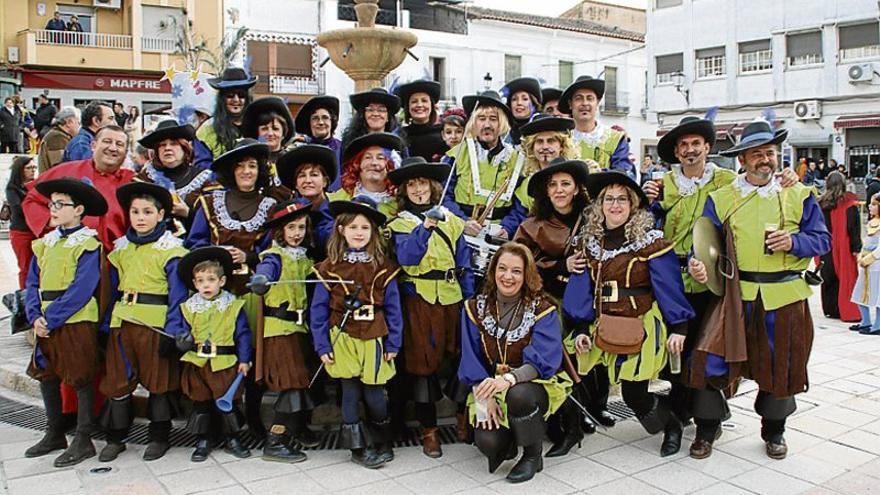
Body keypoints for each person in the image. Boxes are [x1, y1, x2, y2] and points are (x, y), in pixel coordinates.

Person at [688, 118, 830, 460]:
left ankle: (775, 431)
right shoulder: (722, 198)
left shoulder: (799, 193)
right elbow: (706, 244)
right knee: (709, 360)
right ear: (742, 159)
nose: (764, 159)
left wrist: (794, 241)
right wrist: (698, 265)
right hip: (734, 297)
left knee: (782, 366)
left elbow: (822, 240)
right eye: (756, 153)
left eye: (769, 152)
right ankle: (708, 427)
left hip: (784, 297)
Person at [564, 171, 694, 457]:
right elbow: (581, 289)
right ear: (600, 205)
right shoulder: (589, 242)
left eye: (622, 199)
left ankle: (671, 426)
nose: (615, 205)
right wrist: (582, 328)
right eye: (609, 199)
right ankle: (569, 431)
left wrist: (679, 327)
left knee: (634, 393)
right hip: (600, 323)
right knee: (571, 370)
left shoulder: (651, 243)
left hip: (640, 323)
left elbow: (669, 288)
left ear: (633, 204)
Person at [458, 242, 571, 483]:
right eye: (502, 268)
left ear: (527, 274)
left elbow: (545, 360)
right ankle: (511, 435)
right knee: (489, 444)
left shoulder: (542, 308)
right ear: (492, 271)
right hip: (490, 386)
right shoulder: (473, 308)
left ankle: (533, 454)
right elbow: (471, 358)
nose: (508, 276)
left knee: (518, 395)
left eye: (516, 271)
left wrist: (509, 379)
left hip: (533, 383)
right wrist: (483, 396)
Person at [186, 138, 276, 437]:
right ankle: (221, 423)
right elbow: (194, 242)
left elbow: (274, 248)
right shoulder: (209, 203)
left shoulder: (270, 206)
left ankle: (253, 417)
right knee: (217, 357)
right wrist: (218, 254)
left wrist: (249, 256)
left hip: (251, 294)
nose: (247, 172)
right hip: (215, 296)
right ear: (231, 171)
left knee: (251, 356)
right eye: (241, 167)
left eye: (253, 166)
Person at [386, 157, 475, 457]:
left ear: (433, 186)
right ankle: (430, 431)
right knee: (422, 366)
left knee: (463, 359)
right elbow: (408, 257)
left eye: (422, 182)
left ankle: (463, 416)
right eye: (411, 184)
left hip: (452, 296)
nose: (418, 189)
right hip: (419, 298)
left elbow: (464, 261)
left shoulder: (452, 219)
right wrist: (426, 226)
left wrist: (469, 300)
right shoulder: (400, 224)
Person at [310, 197, 403, 469]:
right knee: (349, 392)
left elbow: (394, 309)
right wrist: (322, 345)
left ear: (373, 231)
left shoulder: (384, 267)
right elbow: (318, 311)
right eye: (353, 227)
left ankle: (382, 438)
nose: (359, 232)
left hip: (375, 335)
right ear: (341, 230)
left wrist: (394, 341)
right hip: (343, 336)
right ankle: (357, 446)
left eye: (365, 227)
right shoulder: (329, 268)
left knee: (375, 394)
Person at [98, 182, 188, 462]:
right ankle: (116, 437)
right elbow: (112, 289)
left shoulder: (171, 251)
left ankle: (159, 436)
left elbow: (178, 295)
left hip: (155, 324)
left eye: (147, 211)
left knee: (158, 382)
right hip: (123, 322)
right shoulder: (121, 249)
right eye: (135, 211)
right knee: (118, 379)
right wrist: (105, 325)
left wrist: (172, 331)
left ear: (161, 215)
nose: (140, 217)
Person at [23, 177, 108, 467]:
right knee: (47, 373)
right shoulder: (44, 243)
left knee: (80, 375)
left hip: (74, 318)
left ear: (79, 209)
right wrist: (35, 315)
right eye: (52, 204)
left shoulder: (88, 243)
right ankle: (54, 430)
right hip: (44, 319)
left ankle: (83, 438)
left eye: (61, 204)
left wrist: (54, 317)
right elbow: (32, 281)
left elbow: (83, 287)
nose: (54, 209)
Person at [513, 158, 594, 457]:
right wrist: (561, 265)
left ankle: (579, 418)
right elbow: (520, 261)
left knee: (583, 361)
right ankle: (567, 426)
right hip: (548, 303)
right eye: (553, 184)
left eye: (565, 183)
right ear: (545, 191)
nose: (559, 190)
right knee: (557, 361)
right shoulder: (532, 225)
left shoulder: (593, 218)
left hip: (588, 302)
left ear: (576, 188)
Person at [249, 199, 320, 462]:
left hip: (299, 328)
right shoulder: (274, 256)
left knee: (303, 382)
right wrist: (261, 280)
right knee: (291, 384)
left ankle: (296, 429)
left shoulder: (304, 257)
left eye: (301, 227)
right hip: (279, 330)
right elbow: (266, 272)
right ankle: (275, 441)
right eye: (291, 228)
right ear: (280, 231)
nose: (297, 233)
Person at [175, 247, 253, 462]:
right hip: (198, 363)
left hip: (224, 362)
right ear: (194, 284)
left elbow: (243, 334)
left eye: (210, 279)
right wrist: (182, 339)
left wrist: (245, 359)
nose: (205, 285)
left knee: (227, 402)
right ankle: (203, 439)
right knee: (201, 402)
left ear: (222, 281)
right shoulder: (189, 307)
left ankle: (232, 438)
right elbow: (182, 329)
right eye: (200, 281)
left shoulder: (232, 306)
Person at [25, 125, 134, 252]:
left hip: (115, 261)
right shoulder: (66, 171)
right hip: (67, 256)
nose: (113, 148)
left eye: (119, 144)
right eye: (107, 141)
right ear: (93, 145)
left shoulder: (132, 182)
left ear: (126, 153)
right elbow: (31, 198)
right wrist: (49, 221)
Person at [441, 90, 525, 239]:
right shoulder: (457, 154)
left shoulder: (517, 159)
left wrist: (508, 228)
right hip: (460, 231)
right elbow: (443, 197)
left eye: (493, 119)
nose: (487, 125)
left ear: (502, 123)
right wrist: (463, 222)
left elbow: (520, 205)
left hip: (500, 235)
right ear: (474, 123)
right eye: (481, 118)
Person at [136, 119, 211, 222]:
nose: (167, 148)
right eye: (162, 145)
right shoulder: (145, 178)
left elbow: (213, 222)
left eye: (174, 143)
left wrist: (188, 213)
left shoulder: (204, 179)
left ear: (184, 148)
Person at [559, 75, 634, 178]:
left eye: (590, 98)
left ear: (597, 103)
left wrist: (599, 172)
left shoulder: (615, 139)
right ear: (570, 104)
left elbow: (623, 173)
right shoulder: (561, 138)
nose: (585, 103)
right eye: (578, 98)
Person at [276, 144, 338, 258]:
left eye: (314, 175)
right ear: (296, 184)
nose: (308, 180)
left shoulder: (337, 212)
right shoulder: (288, 212)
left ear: (325, 181)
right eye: (301, 176)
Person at [329, 132, 403, 219]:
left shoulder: (400, 204)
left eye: (380, 158)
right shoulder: (336, 200)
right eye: (368, 157)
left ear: (390, 166)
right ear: (357, 165)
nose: (374, 163)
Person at [819, 171, 861, 322]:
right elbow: (854, 227)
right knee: (846, 278)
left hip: (825, 246)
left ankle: (831, 309)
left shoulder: (821, 202)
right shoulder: (849, 202)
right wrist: (856, 247)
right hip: (843, 246)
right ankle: (846, 309)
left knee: (828, 277)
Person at [195, 67, 257, 165]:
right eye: (230, 95)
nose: (236, 100)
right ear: (222, 99)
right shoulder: (206, 131)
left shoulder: (258, 125)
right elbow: (202, 166)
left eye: (241, 95)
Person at [240, 96, 295, 198]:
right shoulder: (250, 160)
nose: (270, 133)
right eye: (264, 129)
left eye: (275, 129)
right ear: (257, 133)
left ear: (283, 133)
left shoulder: (292, 160)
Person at [293, 95, 343, 190]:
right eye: (315, 118)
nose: (320, 122)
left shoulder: (343, 149)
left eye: (325, 118)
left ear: (332, 121)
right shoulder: (300, 152)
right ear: (309, 123)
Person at [394, 79, 448, 162]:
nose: (419, 105)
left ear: (432, 105)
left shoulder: (445, 135)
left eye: (424, 101)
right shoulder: (399, 136)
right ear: (408, 107)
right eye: (414, 101)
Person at [6, 156, 38, 289]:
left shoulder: (36, 185)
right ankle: (25, 297)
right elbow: (17, 209)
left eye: (34, 167)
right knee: (25, 267)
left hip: (36, 230)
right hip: (21, 232)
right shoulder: (12, 189)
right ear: (20, 170)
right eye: (29, 168)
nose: (33, 171)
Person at [852, 193, 880, 334]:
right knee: (860, 291)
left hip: (876, 264)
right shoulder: (871, 222)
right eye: (870, 204)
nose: (870, 206)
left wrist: (869, 258)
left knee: (878, 294)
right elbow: (866, 241)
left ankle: (878, 324)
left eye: (874, 204)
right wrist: (861, 256)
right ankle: (866, 320)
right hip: (866, 263)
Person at [340, 87, 401, 153]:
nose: (375, 114)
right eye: (370, 109)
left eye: (381, 110)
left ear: (388, 117)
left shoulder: (397, 143)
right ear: (363, 115)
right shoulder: (350, 142)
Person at [503, 76, 542, 146]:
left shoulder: (542, 128)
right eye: (514, 99)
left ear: (533, 103)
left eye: (525, 99)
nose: (519, 103)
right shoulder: (504, 134)